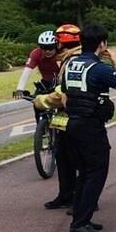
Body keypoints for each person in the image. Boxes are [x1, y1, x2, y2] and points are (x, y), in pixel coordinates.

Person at [61, 24, 116, 232]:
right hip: (90, 126)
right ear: (102, 44)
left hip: (72, 123)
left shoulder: (70, 64)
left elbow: (64, 95)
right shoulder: (99, 68)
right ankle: (80, 224)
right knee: (97, 172)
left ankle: (82, 217)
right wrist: (115, 60)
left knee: (84, 172)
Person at [39, 24, 82, 211]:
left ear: (61, 43)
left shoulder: (73, 61)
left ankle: (82, 199)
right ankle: (66, 195)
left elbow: (64, 93)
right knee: (62, 156)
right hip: (64, 117)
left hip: (75, 117)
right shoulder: (66, 59)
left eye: (55, 42)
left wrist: (41, 101)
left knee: (78, 159)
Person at [14, 31, 61, 99]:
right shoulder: (36, 53)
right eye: (44, 47)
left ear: (57, 46)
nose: (47, 51)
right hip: (46, 84)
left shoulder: (62, 53)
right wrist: (19, 89)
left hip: (62, 84)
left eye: (51, 47)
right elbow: (27, 72)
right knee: (36, 103)